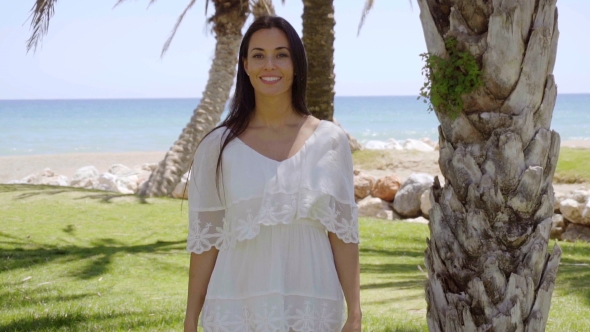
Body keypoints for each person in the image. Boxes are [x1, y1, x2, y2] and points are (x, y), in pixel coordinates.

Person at [184, 15, 361, 332]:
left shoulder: (331, 141)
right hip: (236, 304)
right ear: (245, 66)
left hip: (313, 305)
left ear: (296, 64)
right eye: (258, 55)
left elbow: (344, 235)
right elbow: (205, 244)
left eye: (281, 54)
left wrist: (355, 314)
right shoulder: (217, 146)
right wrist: (190, 321)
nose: (270, 65)